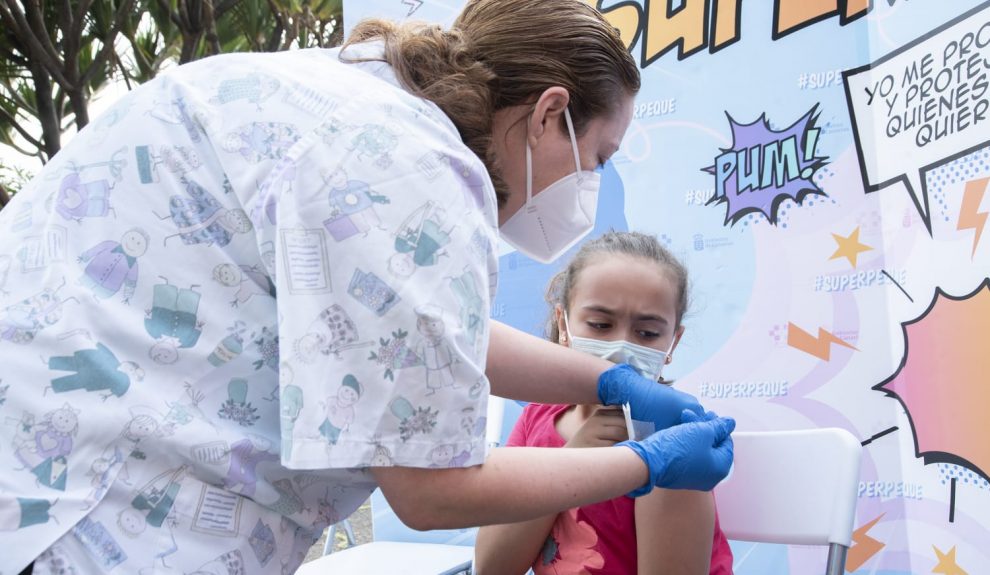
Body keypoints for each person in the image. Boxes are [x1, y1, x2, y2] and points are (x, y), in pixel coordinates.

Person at [0, 1, 734, 572]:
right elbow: (430, 488)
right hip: (87, 511)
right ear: (549, 113)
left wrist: (611, 384)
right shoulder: (411, 169)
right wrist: (646, 461)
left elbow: (407, 338)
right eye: (597, 155)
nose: (590, 183)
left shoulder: (352, 111)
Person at [475, 231, 734, 574]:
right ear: (563, 324)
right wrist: (571, 463)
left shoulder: (672, 446)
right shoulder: (537, 418)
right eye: (600, 325)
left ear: (673, 342)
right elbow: (492, 566)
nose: (620, 350)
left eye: (647, 333)